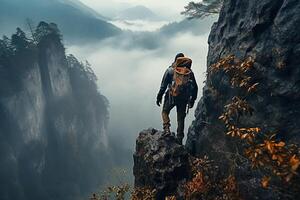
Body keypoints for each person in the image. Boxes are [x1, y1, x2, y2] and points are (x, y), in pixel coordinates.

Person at [156, 53, 198, 145]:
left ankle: (167, 129)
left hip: (171, 96)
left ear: (175, 60)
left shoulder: (170, 71)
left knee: (165, 112)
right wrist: (192, 100)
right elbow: (195, 87)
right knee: (180, 119)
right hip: (184, 98)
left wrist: (159, 97)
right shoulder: (189, 73)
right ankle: (179, 140)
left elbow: (163, 86)